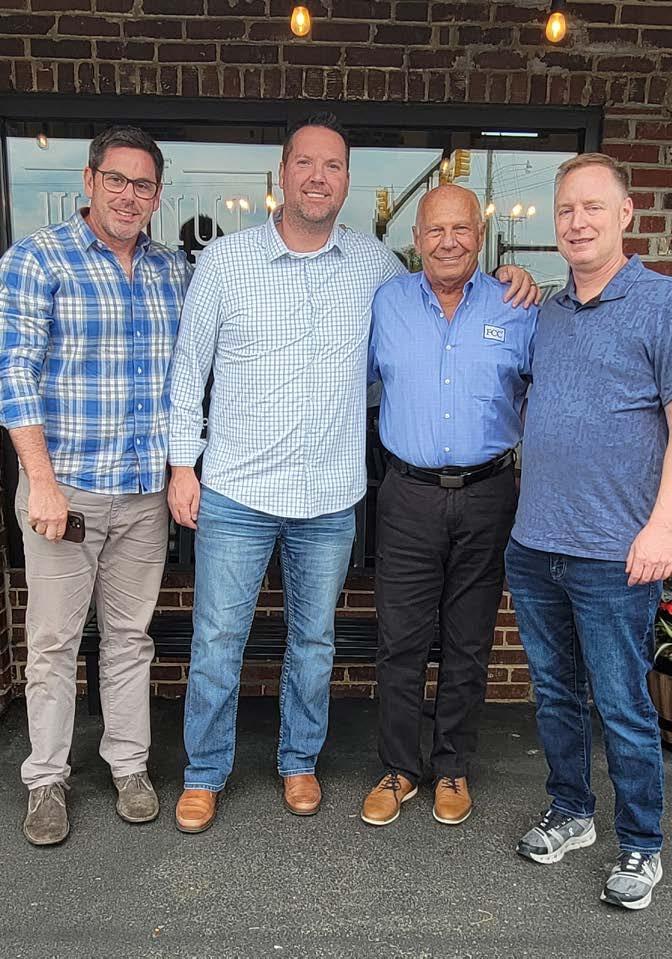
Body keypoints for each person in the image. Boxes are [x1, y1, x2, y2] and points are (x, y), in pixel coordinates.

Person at [167, 113, 537, 833]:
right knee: (216, 642)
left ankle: (299, 761)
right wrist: (184, 464)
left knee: (314, 643)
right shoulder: (226, 262)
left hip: (330, 496)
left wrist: (509, 278)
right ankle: (204, 773)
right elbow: (189, 371)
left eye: (332, 165)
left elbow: (435, 313)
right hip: (237, 490)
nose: (318, 177)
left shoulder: (376, 268)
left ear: (346, 181)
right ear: (283, 173)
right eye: (305, 163)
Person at [0, 127, 191, 845]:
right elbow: (13, 373)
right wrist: (39, 483)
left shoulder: (172, 270)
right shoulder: (37, 259)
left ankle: (129, 765)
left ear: (158, 195)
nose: (128, 195)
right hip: (65, 493)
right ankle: (47, 778)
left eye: (143, 185)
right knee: (53, 641)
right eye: (116, 179)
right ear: (89, 181)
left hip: (142, 493)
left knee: (128, 638)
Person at [505, 153, 672, 910]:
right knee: (555, 696)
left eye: (593, 207)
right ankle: (571, 811)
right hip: (536, 545)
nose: (577, 222)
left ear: (626, 214)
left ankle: (642, 843)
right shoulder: (548, 312)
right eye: (566, 209)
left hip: (616, 552)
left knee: (624, 706)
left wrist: (662, 527)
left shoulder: (659, 305)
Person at [361, 185, 537, 827]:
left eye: (460, 229)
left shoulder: (516, 306)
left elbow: (547, 393)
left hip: (489, 494)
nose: (448, 242)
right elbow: (346, 383)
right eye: (434, 230)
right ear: (416, 240)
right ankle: (399, 768)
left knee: (468, 639)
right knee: (400, 640)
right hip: (407, 494)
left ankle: (453, 767)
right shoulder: (387, 304)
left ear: (480, 236)